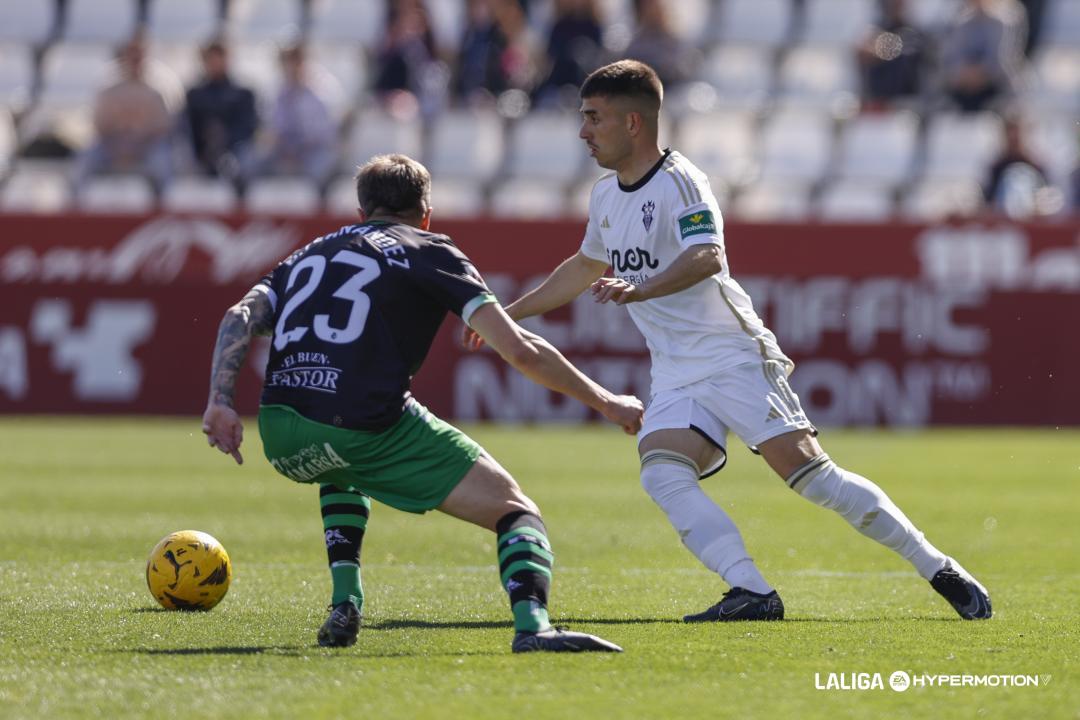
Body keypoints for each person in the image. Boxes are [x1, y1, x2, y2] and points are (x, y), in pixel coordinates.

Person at [466, 60, 992, 622]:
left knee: (815, 481)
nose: (583, 131)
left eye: (594, 118)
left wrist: (641, 288)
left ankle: (935, 564)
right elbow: (584, 266)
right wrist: (508, 314)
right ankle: (753, 592)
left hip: (732, 355)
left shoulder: (680, 181)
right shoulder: (604, 196)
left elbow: (708, 256)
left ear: (634, 123)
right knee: (662, 471)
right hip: (675, 370)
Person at [201, 154, 643, 652]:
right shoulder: (429, 248)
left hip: (280, 431)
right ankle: (533, 625)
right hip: (363, 420)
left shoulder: (307, 255)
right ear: (426, 212)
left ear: (362, 208)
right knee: (516, 511)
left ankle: (345, 601)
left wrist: (220, 401)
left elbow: (238, 317)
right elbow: (520, 349)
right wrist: (607, 402)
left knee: (344, 466)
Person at [73, 36, 174, 193]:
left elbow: (163, 127)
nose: (135, 61)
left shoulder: (157, 91)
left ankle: (162, 208)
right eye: (132, 55)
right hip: (112, 146)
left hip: (147, 147)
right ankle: (76, 208)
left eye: (139, 56)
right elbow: (100, 125)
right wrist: (119, 143)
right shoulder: (109, 90)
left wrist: (139, 140)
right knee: (86, 158)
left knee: (163, 161)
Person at [248, 44, 338, 188]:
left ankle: (319, 204)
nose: (291, 68)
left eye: (295, 62)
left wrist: (297, 151)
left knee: (321, 165)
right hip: (281, 152)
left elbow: (324, 136)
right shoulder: (274, 94)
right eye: (286, 63)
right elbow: (269, 131)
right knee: (250, 162)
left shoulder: (320, 93)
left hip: (311, 153)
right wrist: (282, 149)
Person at [184, 39, 258, 184]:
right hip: (201, 153)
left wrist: (226, 140)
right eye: (211, 59)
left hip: (235, 150)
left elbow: (248, 127)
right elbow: (189, 128)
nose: (215, 63)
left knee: (245, 160)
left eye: (219, 58)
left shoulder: (243, 93)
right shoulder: (195, 94)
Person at [940, 0, 1027, 113]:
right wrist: (965, 74)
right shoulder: (961, 23)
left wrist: (981, 73)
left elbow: (1001, 61)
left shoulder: (1005, 22)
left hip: (996, 87)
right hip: (963, 88)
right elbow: (953, 60)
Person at [856, 0, 930, 111]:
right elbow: (863, 52)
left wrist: (886, 48)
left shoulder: (915, 32)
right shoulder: (874, 30)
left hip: (908, 103)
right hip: (879, 103)